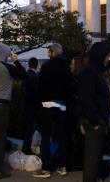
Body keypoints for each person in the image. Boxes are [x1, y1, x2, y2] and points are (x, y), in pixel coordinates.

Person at [0, 43, 27, 179]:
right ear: (5, 54)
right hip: (2, 105)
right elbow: (24, 75)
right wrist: (16, 61)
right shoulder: (7, 67)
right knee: (1, 138)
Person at [33, 44, 73, 178]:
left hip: (47, 105)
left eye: (49, 52)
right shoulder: (66, 67)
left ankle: (46, 168)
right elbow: (70, 87)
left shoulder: (46, 66)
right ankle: (63, 166)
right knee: (62, 136)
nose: (48, 54)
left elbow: (40, 87)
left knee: (46, 137)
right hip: (61, 106)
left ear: (53, 52)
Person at [78, 42, 110, 182]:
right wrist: (96, 122)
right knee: (92, 160)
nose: (109, 59)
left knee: (96, 159)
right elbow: (86, 98)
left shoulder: (95, 72)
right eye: (108, 56)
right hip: (94, 123)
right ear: (100, 56)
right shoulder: (89, 72)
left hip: (98, 122)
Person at [21, 57, 40, 155]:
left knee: (26, 129)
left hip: (25, 106)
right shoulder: (35, 77)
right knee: (30, 130)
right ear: (36, 65)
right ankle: (26, 149)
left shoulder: (25, 76)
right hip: (33, 108)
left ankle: (25, 148)